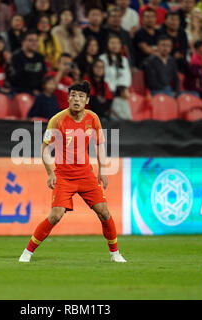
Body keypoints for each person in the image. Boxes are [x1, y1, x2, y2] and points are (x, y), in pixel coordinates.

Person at [18, 80, 127, 263]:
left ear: (87, 100)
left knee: (104, 212)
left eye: (81, 96)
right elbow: (45, 148)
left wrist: (103, 171)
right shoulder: (57, 120)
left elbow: (99, 144)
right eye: (73, 95)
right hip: (64, 176)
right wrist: (50, 173)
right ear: (68, 98)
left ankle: (115, 253)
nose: (76, 99)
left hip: (86, 175)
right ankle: (27, 252)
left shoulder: (92, 118)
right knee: (55, 215)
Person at [8, 30, 46, 94]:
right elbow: (16, 80)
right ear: (23, 42)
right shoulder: (16, 57)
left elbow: (43, 76)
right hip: (21, 92)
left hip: (38, 92)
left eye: (36, 40)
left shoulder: (40, 57)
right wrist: (31, 91)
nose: (34, 43)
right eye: (30, 40)